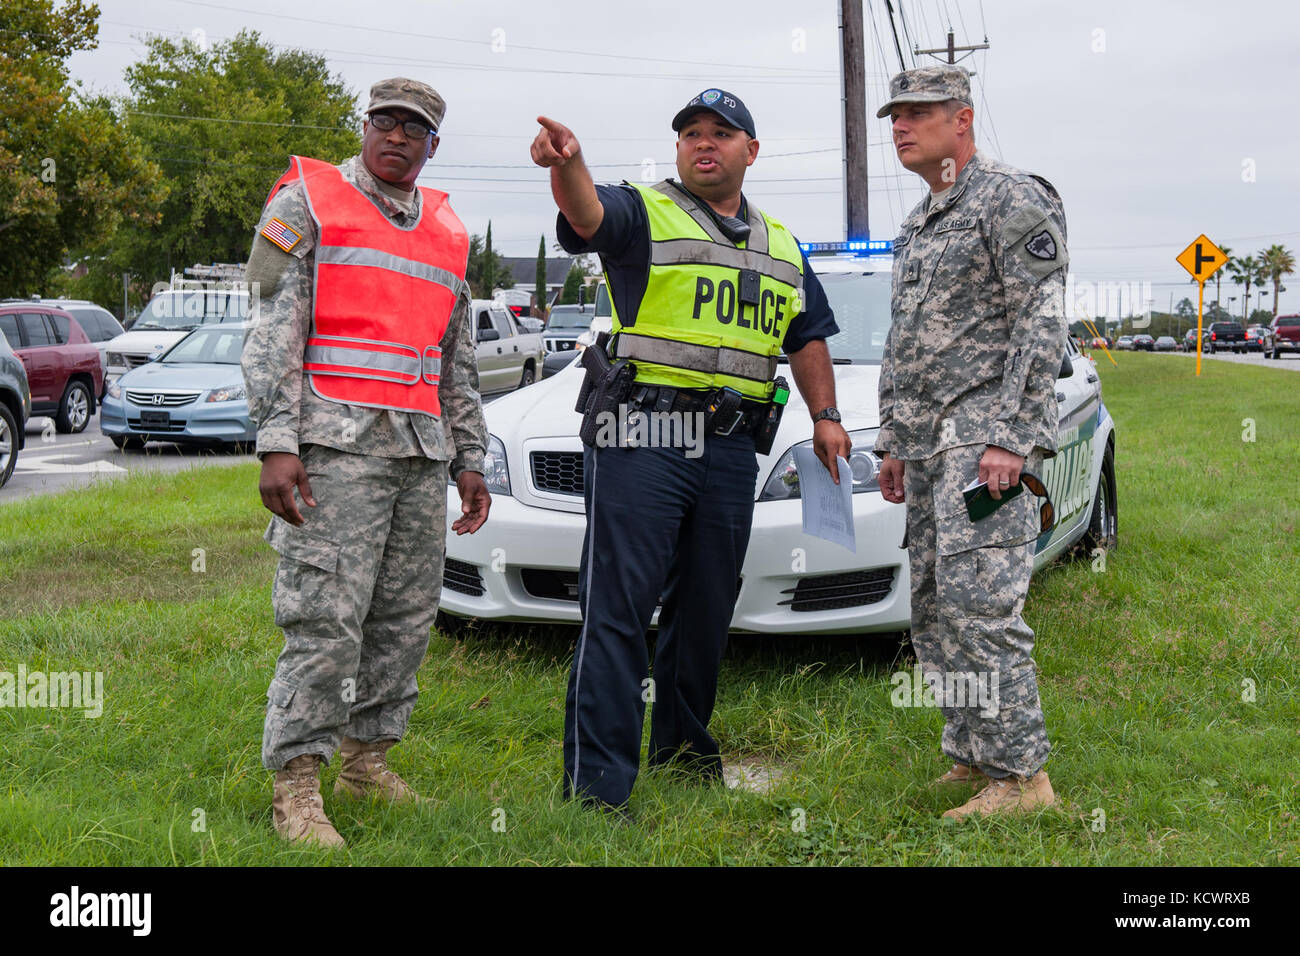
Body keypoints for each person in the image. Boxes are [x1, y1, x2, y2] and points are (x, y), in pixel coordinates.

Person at [531, 89, 852, 815]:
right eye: (691, 135)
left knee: (706, 607)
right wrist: (568, 164)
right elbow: (585, 215)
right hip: (645, 429)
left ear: (751, 151)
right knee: (619, 607)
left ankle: (682, 753)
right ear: (678, 150)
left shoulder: (783, 244)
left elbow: (806, 337)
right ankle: (598, 791)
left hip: (733, 444)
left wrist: (825, 414)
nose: (704, 144)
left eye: (721, 134)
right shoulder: (643, 211)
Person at [242, 77, 491, 847]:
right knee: (326, 618)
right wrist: (277, 442)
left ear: (432, 145)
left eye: (413, 128)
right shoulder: (309, 203)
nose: (396, 136)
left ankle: (366, 761)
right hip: (333, 451)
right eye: (384, 121)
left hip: (418, 455)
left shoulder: (448, 231)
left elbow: (457, 358)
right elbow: (271, 325)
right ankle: (296, 784)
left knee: (405, 617)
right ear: (365, 125)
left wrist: (470, 456)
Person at [873, 66, 1067, 819]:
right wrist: (893, 439)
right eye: (894, 114)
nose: (900, 125)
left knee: (983, 607)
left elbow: (1041, 318)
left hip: (982, 445)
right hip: (926, 450)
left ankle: (1024, 779)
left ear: (963, 118)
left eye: (918, 112)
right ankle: (974, 754)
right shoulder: (920, 222)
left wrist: (1014, 437)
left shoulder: (1013, 197)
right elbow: (907, 342)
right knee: (935, 610)